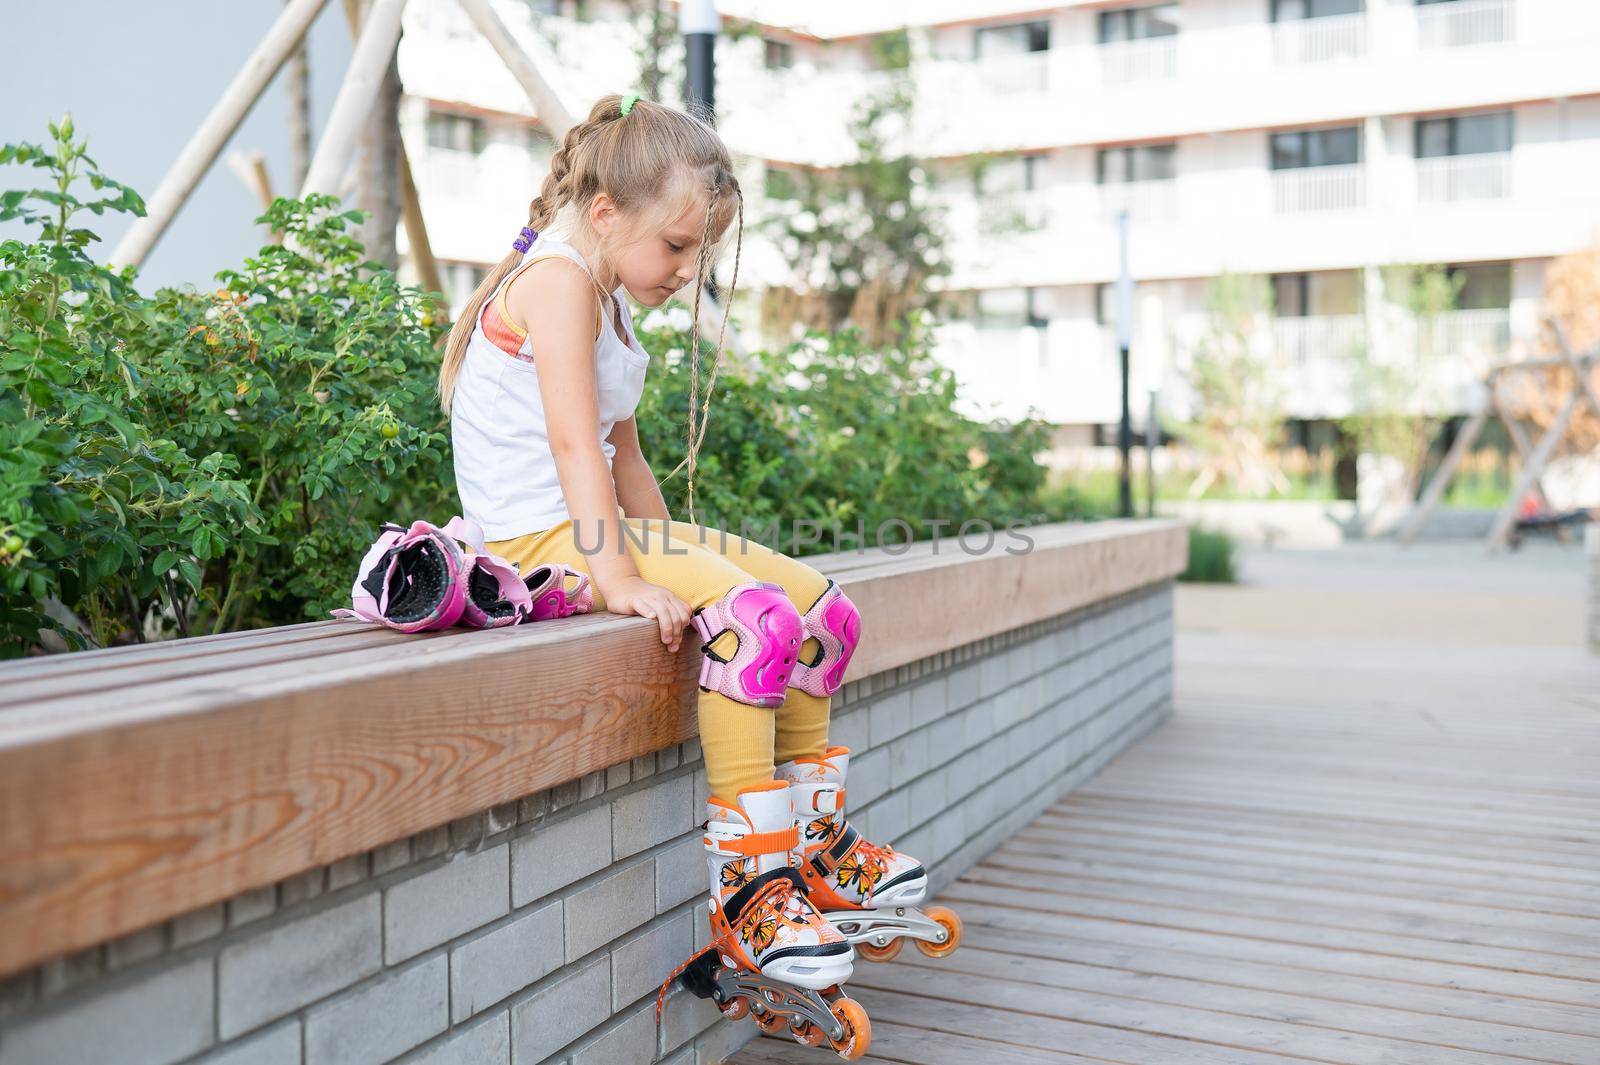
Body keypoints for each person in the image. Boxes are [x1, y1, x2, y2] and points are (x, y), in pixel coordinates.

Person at [437, 94, 954, 1052]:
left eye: (699, 254)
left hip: (581, 526)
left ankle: (810, 848)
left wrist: (692, 557)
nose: (687, 271)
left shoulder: (610, 298)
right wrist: (623, 577)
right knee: (757, 624)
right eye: (677, 247)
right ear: (605, 215)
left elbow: (625, 460)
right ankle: (750, 883)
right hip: (534, 542)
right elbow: (568, 443)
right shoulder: (557, 281)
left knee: (819, 612)